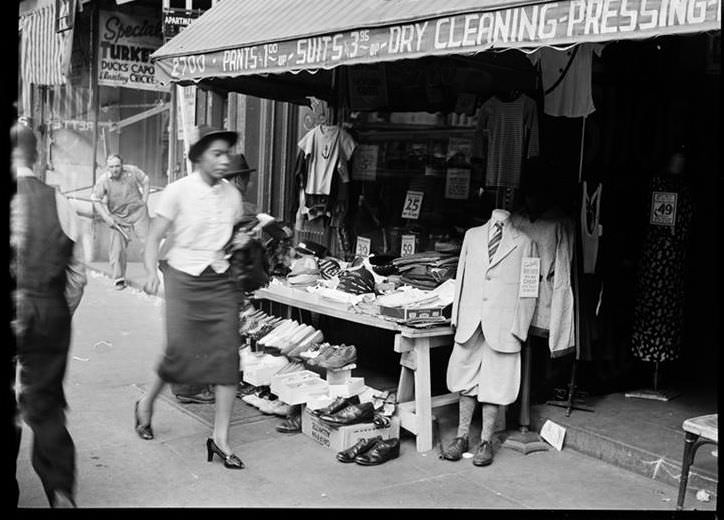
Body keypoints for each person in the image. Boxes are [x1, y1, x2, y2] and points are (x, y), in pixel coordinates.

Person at [134, 126, 248, 470]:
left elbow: (233, 238)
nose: (224, 160)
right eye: (216, 153)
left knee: (227, 356)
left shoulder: (232, 196)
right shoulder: (177, 191)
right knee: (180, 351)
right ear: (198, 156)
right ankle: (145, 403)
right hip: (183, 277)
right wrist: (150, 271)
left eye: (227, 153)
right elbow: (154, 237)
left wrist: (243, 243)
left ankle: (221, 438)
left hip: (221, 280)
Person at [11, 122, 87, 507]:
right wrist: (56, 313)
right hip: (47, 311)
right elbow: (77, 278)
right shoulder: (60, 201)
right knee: (46, 406)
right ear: (36, 157)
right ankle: (59, 490)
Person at [92, 154, 150, 290]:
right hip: (118, 217)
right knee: (117, 250)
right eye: (111, 167)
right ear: (107, 167)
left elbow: (146, 180)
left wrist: (145, 201)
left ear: (122, 165)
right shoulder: (103, 180)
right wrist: (107, 218)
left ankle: (155, 275)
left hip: (138, 213)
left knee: (149, 243)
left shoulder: (132, 171)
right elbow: (95, 200)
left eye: (117, 166)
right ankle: (119, 278)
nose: (115, 169)